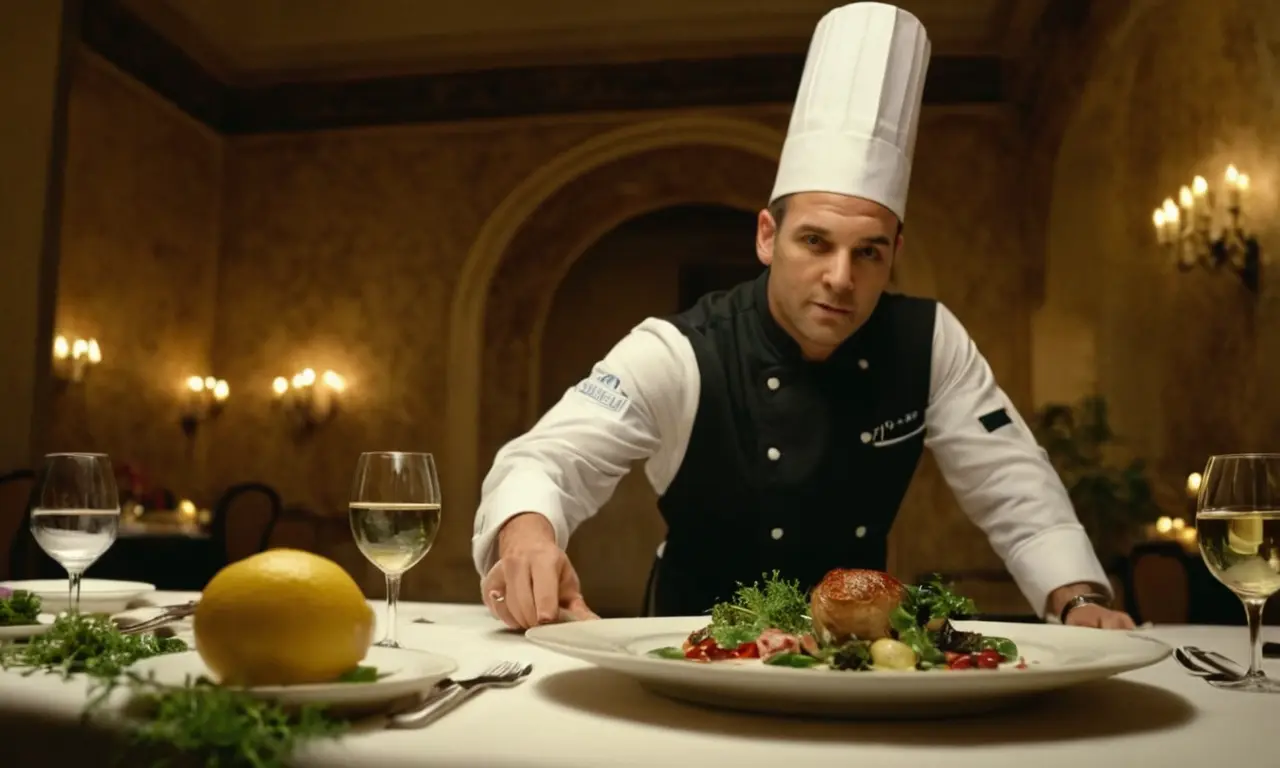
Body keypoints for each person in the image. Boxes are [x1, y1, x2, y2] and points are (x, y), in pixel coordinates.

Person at [470, 2, 1136, 632]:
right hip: (687, 649)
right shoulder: (678, 351)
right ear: (767, 236)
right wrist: (528, 536)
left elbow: (1012, 483)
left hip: (860, 658)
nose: (840, 279)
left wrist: (1078, 600)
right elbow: (550, 460)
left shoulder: (930, 343)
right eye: (815, 242)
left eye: (868, 253)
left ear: (894, 253)